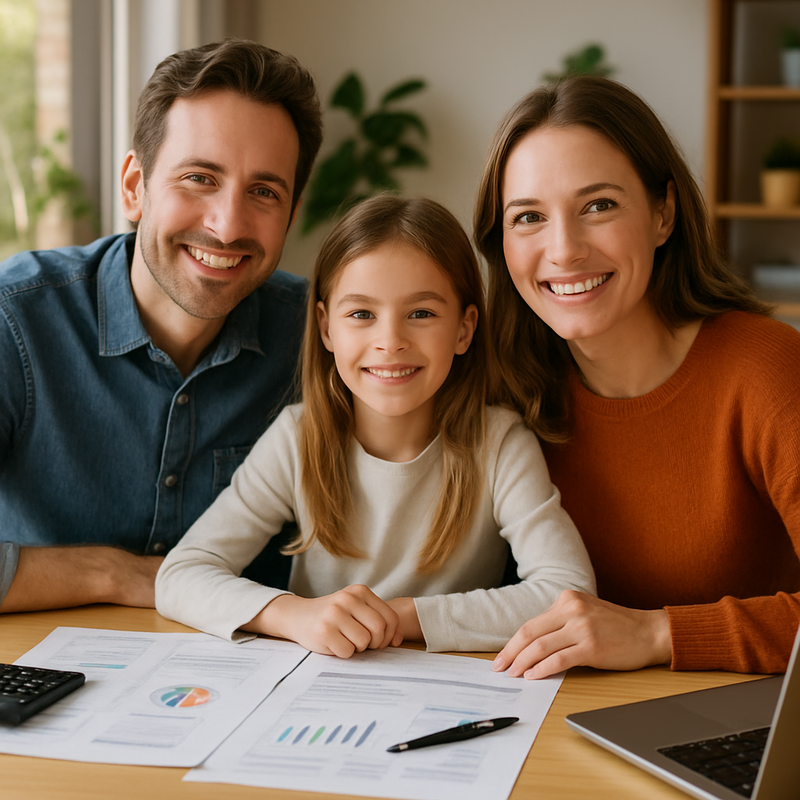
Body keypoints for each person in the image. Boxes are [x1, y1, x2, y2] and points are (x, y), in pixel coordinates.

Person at [155, 195, 595, 657]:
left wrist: (399, 617)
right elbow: (181, 575)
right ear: (326, 329)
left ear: (464, 330)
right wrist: (292, 614)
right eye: (361, 314)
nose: (390, 342)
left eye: (421, 314)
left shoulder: (501, 443)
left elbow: (568, 590)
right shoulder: (297, 438)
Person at [473, 74, 800, 678]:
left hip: (744, 728)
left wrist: (657, 632)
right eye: (528, 218)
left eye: (598, 206)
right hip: (561, 725)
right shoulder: (502, 390)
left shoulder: (768, 370)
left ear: (663, 213)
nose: (564, 250)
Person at [0, 39, 323, 613]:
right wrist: (114, 575)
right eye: (200, 177)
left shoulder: (323, 338)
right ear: (134, 186)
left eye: (264, 192)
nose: (227, 227)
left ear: (291, 214)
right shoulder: (15, 321)